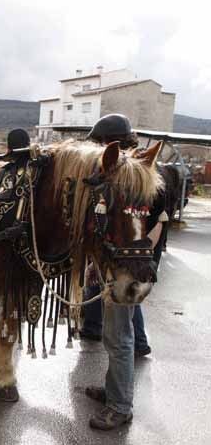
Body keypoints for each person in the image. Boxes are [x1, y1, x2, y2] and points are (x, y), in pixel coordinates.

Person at [81, 113, 163, 430]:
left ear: (109, 144)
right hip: (124, 265)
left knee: (120, 338)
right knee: (113, 335)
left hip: (129, 269)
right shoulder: (134, 174)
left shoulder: (134, 177)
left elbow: (153, 225)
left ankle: (120, 406)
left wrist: (134, 264)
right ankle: (114, 390)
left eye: (100, 145)